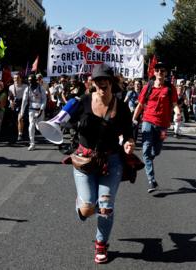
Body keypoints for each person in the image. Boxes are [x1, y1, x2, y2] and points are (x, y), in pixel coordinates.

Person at [68, 63, 135, 264]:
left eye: (105, 79)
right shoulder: (83, 102)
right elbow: (65, 122)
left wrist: (129, 143)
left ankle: (101, 244)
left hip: (111, 160)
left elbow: (129, 134)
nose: (101, 83)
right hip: (85, 160)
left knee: (105, 206)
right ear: (93, 82)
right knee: (88, 209)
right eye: (98, 80)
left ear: (111, 82)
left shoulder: (121, 106)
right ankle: (84, 203)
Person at [132, 62, 181, 193]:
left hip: (163, 126)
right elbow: (140, 105)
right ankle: (152, 181)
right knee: (146, 150)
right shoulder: (148, 87)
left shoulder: (170, 88)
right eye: (157, 70)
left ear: (165, 73)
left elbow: (175, 104)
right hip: (147, 121)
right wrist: (134, 119)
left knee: (157, 150)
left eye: (162, 70)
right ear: (154, 72)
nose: (160, 72)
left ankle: (151, 156)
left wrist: (178, 113)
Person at [20, 74, 47, 151]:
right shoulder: (27, 89)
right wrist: (22, 113)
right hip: (31, 110)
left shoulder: (41, 88)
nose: (30, 82)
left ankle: (51, 136)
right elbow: (24, 101)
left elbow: (44, 100)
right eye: (29, 80)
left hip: (39, 110)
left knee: (39, 127)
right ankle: (32, 143)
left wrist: (41, 110)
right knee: (31, 126)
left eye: (31, 80)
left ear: (35, 80)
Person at [8, 74, 28, 142]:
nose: (16, 79)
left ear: (21, 79)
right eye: (14, 78)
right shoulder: (11, 87)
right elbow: (10, 96)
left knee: (20, 118)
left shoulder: (25, 86)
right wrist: (11, 102)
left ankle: (20, 134)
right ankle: (21, 131)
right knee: (17, 120)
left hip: (23, 104)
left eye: (18, 78)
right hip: (15, 105)